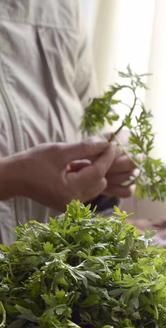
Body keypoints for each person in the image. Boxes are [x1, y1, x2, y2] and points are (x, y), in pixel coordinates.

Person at [0, 0, 134, 244]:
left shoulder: (63, 7)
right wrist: (11, 177)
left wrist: (106, 166)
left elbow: (88, 121)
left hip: (41, 266)